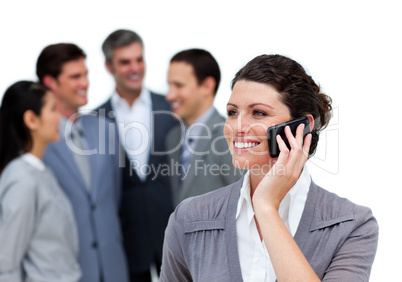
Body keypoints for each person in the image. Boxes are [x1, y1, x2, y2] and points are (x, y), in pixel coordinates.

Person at [160, 54, 379, 281]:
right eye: (233, 112)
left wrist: (265, 207)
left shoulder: (351, 225)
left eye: (259, 113)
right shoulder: (188, 218)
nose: (239, 127)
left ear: (302, 126)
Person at [37, 43, 128, 282]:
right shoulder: (37, 140)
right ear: (50, 82)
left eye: (85, 75)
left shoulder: (107, 130)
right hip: (65, 270)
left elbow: (113, 199)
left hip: (114, 268)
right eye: (75, 76)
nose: (85, 83)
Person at [98, 29, 177, 281]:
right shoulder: (96, 119)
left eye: (139, 59)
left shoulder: (171, 106)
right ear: (109, 66)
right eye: (125, 62)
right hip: (128, 241)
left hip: (174, 232)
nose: (135, 68)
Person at [0, 81, 81, 281]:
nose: (59, 118)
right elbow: (6, 264)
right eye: (53, 109)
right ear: (31, 119)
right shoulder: (22, 180)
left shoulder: (41, 171)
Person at [165, 48, 243, 207]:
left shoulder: (229, 136)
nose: (169, 96)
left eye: (178, 85)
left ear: (207, 86)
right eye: (169, 85)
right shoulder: (172, 138)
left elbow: (245, 202)